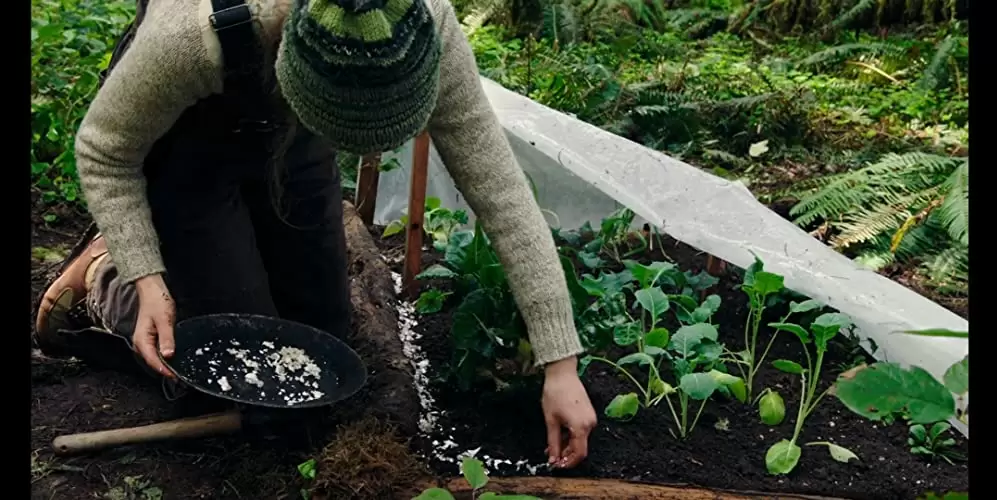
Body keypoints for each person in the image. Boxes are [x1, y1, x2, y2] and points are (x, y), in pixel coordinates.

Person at [33, 0, 598, 468]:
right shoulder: (192, 34)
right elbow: (104, 150)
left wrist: (560, 363)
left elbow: (502, 193)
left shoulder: (424, 29)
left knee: (325, 350)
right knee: (236, 374)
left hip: (294, 133)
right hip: (190, 141)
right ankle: (107, 278)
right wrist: (144, 271)